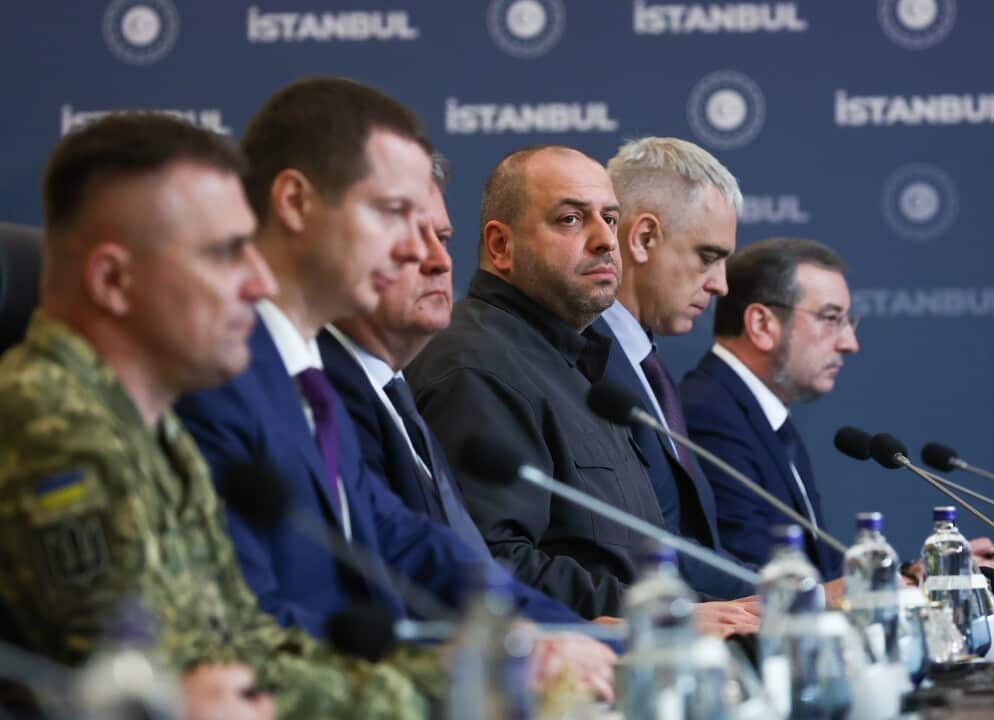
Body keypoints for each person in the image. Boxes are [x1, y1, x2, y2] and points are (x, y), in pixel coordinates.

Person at [174, 78, 613, 697]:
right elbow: (248, 634)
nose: (419, 250)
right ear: (296, 203)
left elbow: (416, 549)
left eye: (426, 223)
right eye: (392, 213)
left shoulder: (307, 378)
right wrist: (478, 672)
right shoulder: (215, 379)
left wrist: (577, 639)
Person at [0, 112, 442, 719]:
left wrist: (453, 682)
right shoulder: (54, 427)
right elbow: (165, 686)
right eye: (228, 254)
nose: (260, 283)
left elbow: (244, 648)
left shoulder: (154, 429)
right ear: (113, 280)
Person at [407, 145, 758, 633]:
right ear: (500, 246)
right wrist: (663, 615)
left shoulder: (585, 360)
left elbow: (629, 558)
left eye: (610, 219)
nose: (603, 241)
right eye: (571, 219)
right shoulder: (475, 364)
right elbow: (493, 565)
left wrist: (725, 608)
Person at [317, 151, 615, 648]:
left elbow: (443, 558)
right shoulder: (457, 368)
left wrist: (570, 631)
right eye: (409, 240)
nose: (438, 260)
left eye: (443, 237)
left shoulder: (389, 392)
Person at [594, 136, 754, 600]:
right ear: (643, 238)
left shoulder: (645, 364)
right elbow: (642, 548)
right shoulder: (581, 365)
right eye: (708, 257)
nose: (721, 284)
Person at [681, 238, 857, 579]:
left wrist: (906, 578)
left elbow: (817, 565)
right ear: (762, 325)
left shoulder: (765, 413)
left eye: (848, 322)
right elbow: (758, 570)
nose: (849, 343)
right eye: (831, 318)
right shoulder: (708, 416)